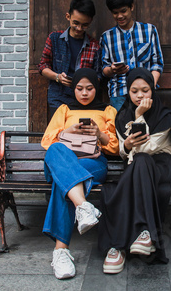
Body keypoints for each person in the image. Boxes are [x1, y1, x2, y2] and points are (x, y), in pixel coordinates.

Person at [98, 68, 171, 274]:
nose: (140, 95)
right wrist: (126, 145)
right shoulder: (122, 115)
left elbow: (148, 148)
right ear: (128, 91)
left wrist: (138, 117)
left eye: (145, 90)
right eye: (134, 91)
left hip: (160, 166)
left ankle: (117, 246)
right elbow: (123, 152)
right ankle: (143, 233)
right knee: (125, 176)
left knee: (142, 159)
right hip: (136, 167)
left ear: (152, 90)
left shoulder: (163, 114)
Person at [41, 68, 119, 279]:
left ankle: (60, 251)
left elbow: (116, 148)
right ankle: (83, 207)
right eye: (79, 88)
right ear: (73, 89)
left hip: (93, 162)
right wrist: (68, 132)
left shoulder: (107, 110)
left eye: (90, 88)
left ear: (97, 89)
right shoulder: (64, 109)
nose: (84, 93)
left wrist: (99, 134)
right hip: (64, 160)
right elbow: (47, 141)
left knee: (64, 181)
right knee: (58, 151)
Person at [100, 0, 164, 111]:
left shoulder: (149, 30)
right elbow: (103, 69)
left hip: (145, 93)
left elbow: (157, 64)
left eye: (123, 11)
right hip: (119, 93)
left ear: (132, 7)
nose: (120, 16)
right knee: (122, 129)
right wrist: (112, 69)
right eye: (115, 13)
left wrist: (150, 87)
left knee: (147, 128)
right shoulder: (107, 37)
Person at [38, 0, 100, 118]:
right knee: (58, 132)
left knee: (80, 135)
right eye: (76, 23)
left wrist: (85, 83)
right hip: (58, 96)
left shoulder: (94, 45)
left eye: (84, 25)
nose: (79, 28)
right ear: (68, 16)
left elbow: (98, 75)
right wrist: (57, 77)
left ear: (90, 22)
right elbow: (43, 66)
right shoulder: (54, 38)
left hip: (84, 98)